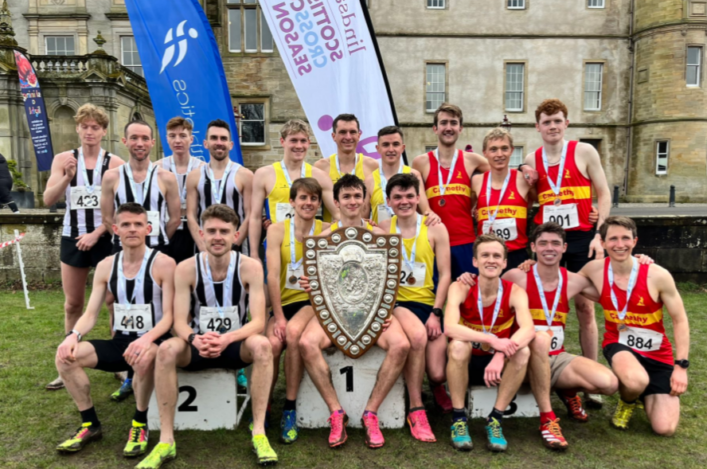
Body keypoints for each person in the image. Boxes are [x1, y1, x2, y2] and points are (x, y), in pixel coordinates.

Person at [138, 204, 276, 468]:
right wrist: (194, 339)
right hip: (198, 344)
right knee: (166, 350)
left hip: (234, 344)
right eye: (211, 230)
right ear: (201, 234)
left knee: (262, 345)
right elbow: (178, 321)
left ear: (236, 235)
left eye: (224, 231)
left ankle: (258, 432)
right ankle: (166, 440)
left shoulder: (251, 267)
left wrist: (227, 339)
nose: (217, 236)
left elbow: (258, 321)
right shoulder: (186, 268)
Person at [54, 203, 175, 457]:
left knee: (141, 356)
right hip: (120, 341)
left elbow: (170, 317)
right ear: (116, 229)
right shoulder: (106, 265)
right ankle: (89, 424)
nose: (133, 229)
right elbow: (90, 313)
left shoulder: (164, 263)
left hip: (155, 340)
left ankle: (139, 422)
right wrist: (72, 337)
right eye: (126, 225)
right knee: (65, 357)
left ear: (148, 228)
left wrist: (146, 340)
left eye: (138, 224)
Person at [522, 99, 612, 408]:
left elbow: (604, 193)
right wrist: (528, 180)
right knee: (540, 304)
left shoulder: (584, 152)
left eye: (557, 121)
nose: (552, 126)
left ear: (566, 123)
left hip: (581, 239)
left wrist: (600, 234)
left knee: (585, 308)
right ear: (538, 127)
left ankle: (591, 377)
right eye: (546, 122)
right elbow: (533, 199)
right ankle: (543, 363)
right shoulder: (533, 158)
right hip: (549, 241)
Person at [298, 214, 411, 448]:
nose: (352, 201)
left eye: (357, 196)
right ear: (336, 203)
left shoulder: (380, 237)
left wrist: (383, 307)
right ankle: (336, 412)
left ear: (363, 200)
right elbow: (315, 277)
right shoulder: (321, 240)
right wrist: (311, 281)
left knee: (401, 345)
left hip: (371, 312)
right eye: (346, 196)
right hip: (333, 311)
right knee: (306, 343)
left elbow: (389, 278)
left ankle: (371, 413)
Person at [579, 216, 689, 436]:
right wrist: (531, 265)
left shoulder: (658, 275)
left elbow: (680, 320)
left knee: (664, 428)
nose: (620, 244)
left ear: (635, 241)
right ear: (602, 242)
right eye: (613, 239)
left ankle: (640, 391)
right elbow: (562, 280)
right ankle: (628, 400)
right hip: (619, 343)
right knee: (635, 380)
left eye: (625, 238)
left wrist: (681, 367)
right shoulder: (593, 269)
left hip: (657, 353)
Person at [43, 103, 125, 390]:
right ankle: (68, 359)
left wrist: (98, 231)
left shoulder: (114, 164)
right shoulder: (64, 159)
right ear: (77, 128)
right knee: (73, 303)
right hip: (73, 236)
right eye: (85, 126)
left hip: (105, 238)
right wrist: (66, 177)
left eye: (95, 127)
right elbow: (47, 199)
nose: (89, 132)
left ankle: (120, 361)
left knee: (113, 300)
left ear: (104, 131)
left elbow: (120, 208)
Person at [376, 173, 452, 440]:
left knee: (437, 371)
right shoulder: (383, 228)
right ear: (388, 201)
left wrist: (436, 313)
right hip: (396, 304)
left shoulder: (435, 228)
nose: (404, 201)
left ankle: (435, 386)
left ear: (419, 198)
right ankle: (416, 407)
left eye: (410, 196)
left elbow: (445, 275)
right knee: (417, 337)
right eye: (397, 197)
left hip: (427, 304)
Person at [444, 234, 534, 452]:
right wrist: (492, 340)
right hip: (466, 362)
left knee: (523, 352)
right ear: (475, 261)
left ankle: (495, 418)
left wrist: (501, 353)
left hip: (497, 368)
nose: (490, 260)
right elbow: (449, 327)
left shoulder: (514, 291)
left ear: (504, 263)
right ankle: (459, 419)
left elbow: (529, 329)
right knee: (457, 345)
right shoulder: (461, 287)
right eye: (485, 255)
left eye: (496, 256)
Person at [264, 177, 329, 444]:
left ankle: (289, 407)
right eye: (303, 197)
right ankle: (265, 404)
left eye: (313, 198)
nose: (308, 202)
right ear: (291, 201)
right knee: (270, 344)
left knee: (291, 335)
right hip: (284, 303)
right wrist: (277, 315)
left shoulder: (328, 229)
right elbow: (272, 275)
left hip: (314, 304)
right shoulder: (277, 230)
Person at [413, 103, 509, 279]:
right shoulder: (420, 163)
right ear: (435, 128)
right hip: (432, 242)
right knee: (432, 300)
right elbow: (413, 197)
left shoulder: (471, 160)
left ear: (460, 128)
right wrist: (426, 211)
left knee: (468, 298)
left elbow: (502, 169)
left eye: (453, 123)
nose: (448, 128)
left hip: (464, 242)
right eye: (443, 123)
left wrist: (476, 202)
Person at [101, 120, 181, 254]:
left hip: (158, 248)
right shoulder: (111, 177)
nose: (139, 143)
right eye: (134, 138)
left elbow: (175, 219)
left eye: (145, 138)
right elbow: (107, 219)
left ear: (152, 142)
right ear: (125, 141)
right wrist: (127, 238)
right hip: (122, 249)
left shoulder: (167, 177)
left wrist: (159, 237)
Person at [186, 119, 252, 255]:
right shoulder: (194, 176)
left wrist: (233, 245)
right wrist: (202, 245)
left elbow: (250, 215)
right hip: (204, 248)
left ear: (231, 144)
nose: (219, 143)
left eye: (223, 138)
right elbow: (191, 216)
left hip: (236, 248)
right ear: (206, 143)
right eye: (214, 138)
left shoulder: (245, 175)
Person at [471, 127, 533, 271]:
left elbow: (548, 200)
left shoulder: (524, 180)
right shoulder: (476, 182)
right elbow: (465, 209)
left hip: (516, 256)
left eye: (504, 148)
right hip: (487, 256)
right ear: (485, 153)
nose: (499, 154)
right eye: (493, 149)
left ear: (511, 150)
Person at [364, 125, 439, 226]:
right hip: (382, 239)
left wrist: (432, 216)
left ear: (402, 148)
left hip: (410, 238)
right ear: (378, 148)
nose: (391, 149)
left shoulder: (414, 175)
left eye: (395, 144)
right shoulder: (369, 180)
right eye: (386, 145)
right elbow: (363, 219)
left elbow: (426, 210)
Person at [156, 116, 205, 263]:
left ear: (191, 139)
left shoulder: (203, 168)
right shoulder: (156, 168)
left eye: (183, 136)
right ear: (167, 139)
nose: (177, 140)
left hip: (194, 231)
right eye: (172, 136)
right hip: (167, 230)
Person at [313, 114, 378, 222]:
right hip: (332, 234)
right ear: (334, 136)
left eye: (352, 132)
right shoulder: (320, 167)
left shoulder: (372, 165)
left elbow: (372, 205)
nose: (348, 137)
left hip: (363, 234)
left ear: (359, 135)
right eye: (343, 132)